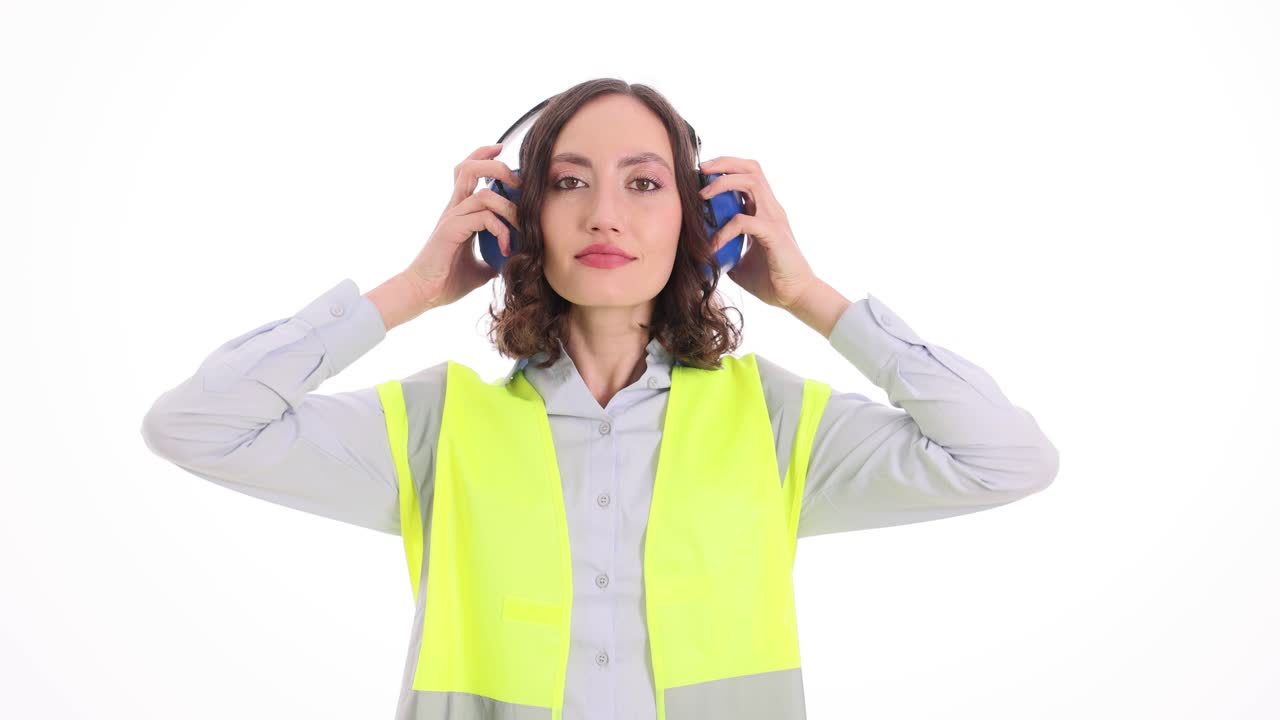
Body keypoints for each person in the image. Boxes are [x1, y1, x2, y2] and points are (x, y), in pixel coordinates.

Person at [140, 78, 1059, 720]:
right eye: (568, 182)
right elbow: (196, 425)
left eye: (645, 183)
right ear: (517, 222)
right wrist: (413, 287)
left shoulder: (778, 426)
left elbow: (1006, 458)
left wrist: (813, 296)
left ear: (703, 225)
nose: (605, 215)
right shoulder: (435, 429)